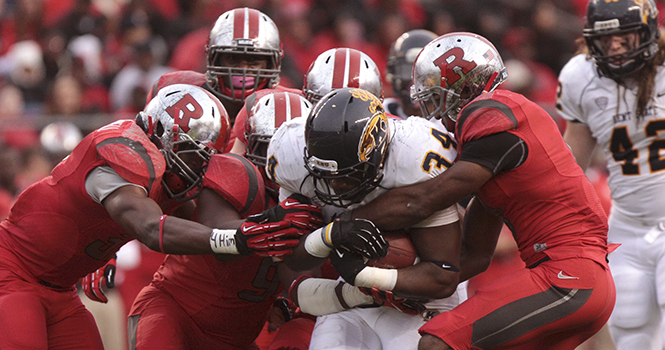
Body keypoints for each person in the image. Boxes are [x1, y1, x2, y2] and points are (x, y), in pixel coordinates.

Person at [337, 32, 615, 350]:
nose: (436, 114)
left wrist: (344, 223)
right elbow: (473, 256)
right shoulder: (495, 161)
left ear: (463, 89)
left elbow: (424, 199)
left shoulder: (492, 112)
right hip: (581, 280)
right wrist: (390, 284)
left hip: (567, 277)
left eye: (435, 98)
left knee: (435, 343)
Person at [0, 83, 304, 349]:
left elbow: (197, 229)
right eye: (194, 154)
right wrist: (237, 236)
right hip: (14, 270)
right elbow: (150, 227)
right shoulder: (124, 149)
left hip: (60, 288)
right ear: (161, 135)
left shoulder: (168, 179)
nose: (201, 168)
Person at [267, 87, 466, 350]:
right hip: (352, 298)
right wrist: (330, 235)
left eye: (349, 174)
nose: (337, 187)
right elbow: (295, 262)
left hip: (421, 301)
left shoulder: (414, 156)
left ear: (380, 155)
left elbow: (443, 277)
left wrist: (364, 274)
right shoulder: (289, 157)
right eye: (326, 177)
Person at [128, 89, 321, 350]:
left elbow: (300, 278)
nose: (282, 160)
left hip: (234, 340)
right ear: (251, 145)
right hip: (176, 314)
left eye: (294, 150)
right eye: (271, 147)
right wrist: (271, 222)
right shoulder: (237, 171)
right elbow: (217, 230)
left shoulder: (315, 200)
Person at [557, 1, 663, 349]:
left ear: (647, 31)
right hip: (627, 226)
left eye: (624, 35)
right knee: (628, 332)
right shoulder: (581, 77)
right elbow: (570, 164)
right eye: (606, 38)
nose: (615, 46)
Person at [147, 7, 301, 152]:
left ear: (271, 63)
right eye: (233, 58)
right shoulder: (179, 92)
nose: (243, 70)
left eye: (253, 61)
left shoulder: (292, 105)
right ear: (215, 59)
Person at [384, 29, 438, 119]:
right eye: (407, 70)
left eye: (426, 72)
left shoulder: (450, 124)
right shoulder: (380, 114)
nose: (415, 82)